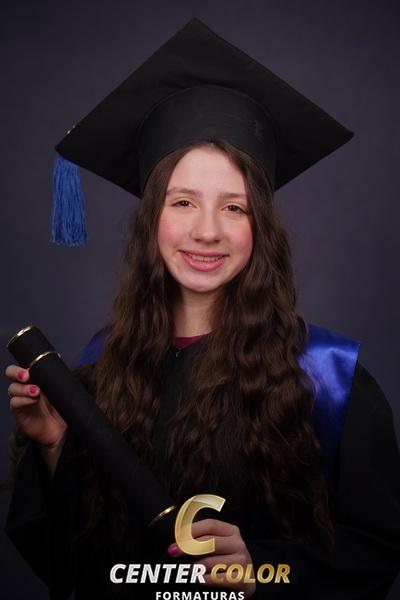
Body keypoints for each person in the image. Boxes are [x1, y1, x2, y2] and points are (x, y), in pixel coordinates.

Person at [4, 18, 400, 600]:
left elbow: (376, 551)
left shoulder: (329, 377)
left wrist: (263, 569)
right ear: (152, 220)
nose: (207, 231)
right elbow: (84, 566)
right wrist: (56, 447)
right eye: (183, 201)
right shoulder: (102, 366)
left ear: (260, 227)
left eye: (234, 207)